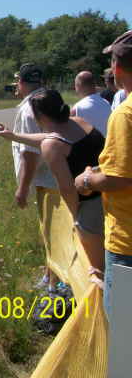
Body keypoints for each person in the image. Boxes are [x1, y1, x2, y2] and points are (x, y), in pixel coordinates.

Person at [0, 89, 105, 274]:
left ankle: (104, 302)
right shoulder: (79, 123)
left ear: (39, 116)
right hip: (110, 193)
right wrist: (13, 136)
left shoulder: (52, 146)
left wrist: (76, 218)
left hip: (90, 208)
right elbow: (49, 138)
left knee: (97, 270)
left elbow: (67, 189)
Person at [74, 30, 132, 320]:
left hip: (127, 241)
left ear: (118, 68)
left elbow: (119, 180)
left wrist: (86, 180)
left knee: (123, 334)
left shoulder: (125, 114)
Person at [10, 63, 60, 289]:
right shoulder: (47, 100)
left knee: (51, 232)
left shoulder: (29, 108)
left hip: (46, 181)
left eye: (17, 81)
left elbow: (30, 154)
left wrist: (22, 189)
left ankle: (54, 284)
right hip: (57, 176)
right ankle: (51, 275)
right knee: (54, 231)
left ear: (21, 82)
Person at [71, 71, 111, 136]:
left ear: (78, 86)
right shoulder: (107, 104)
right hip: (106, 145)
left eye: (75, 85)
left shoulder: (77, 108)